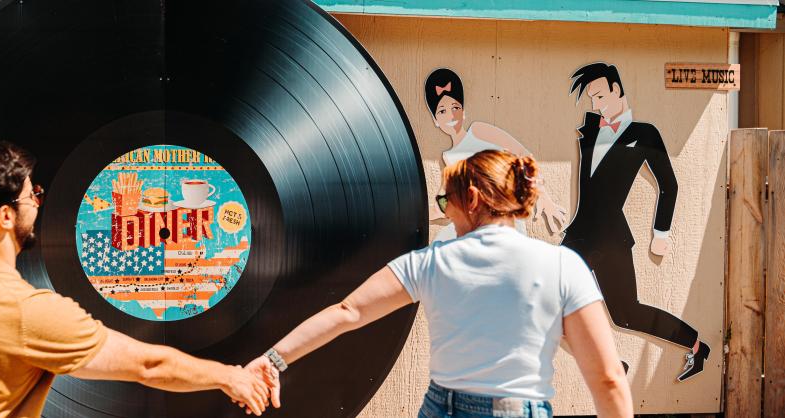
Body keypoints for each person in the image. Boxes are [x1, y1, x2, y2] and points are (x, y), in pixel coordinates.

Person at [0, 140, 272, 418]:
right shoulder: (27, 312)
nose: (38, 203)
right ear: (5, 216)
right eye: (31, 197)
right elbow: (148, 365)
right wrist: (229, 377)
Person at [246, 150, 632, 417]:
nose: (444, 208)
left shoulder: (432, 263)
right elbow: (608, 377)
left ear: (474, 199)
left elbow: (348, 312)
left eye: (447, 197)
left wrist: (272, 360)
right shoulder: (563, 265)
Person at [565, 62, 710, 381]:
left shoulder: (644, 134)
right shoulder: (592, 130)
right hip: (579, 235)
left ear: (617, 90)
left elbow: (669, 184)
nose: (595, 104)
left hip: (612, 239)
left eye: (600, 94)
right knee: (548, 301)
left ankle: (696, 346)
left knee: (626, 315)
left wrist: (661, 233)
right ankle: (611, 364)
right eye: (591, 98)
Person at [423, 68, 567, 240]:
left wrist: (542, 196)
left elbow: (523, 154)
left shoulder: (478, 130)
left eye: (456, 107)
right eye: (442, 111)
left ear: (463, 111)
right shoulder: (450, 158)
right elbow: (444, 203)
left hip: (505, 217)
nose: (451, 115)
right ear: (435, 120)